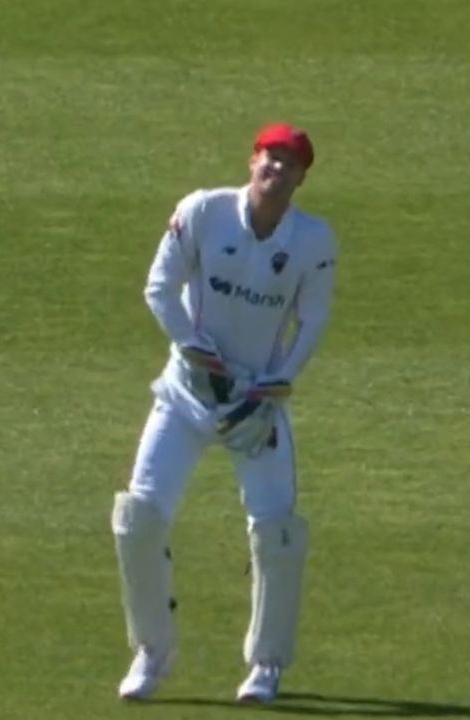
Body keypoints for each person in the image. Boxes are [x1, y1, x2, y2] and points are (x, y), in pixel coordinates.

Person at [111, 123, 336, 704]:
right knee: (138, 518)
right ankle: (152, 654)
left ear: (302, 177)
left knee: (277, 533)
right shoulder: (203, 211)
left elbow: (310, 320)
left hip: (253, 405)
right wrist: (190, 347)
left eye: (290, 164)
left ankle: (266, 666)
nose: (277, 170)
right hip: (187, 394)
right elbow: (159, 288)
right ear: (253, 159)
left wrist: (278, 382)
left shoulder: (313, 242)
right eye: (270, 157)